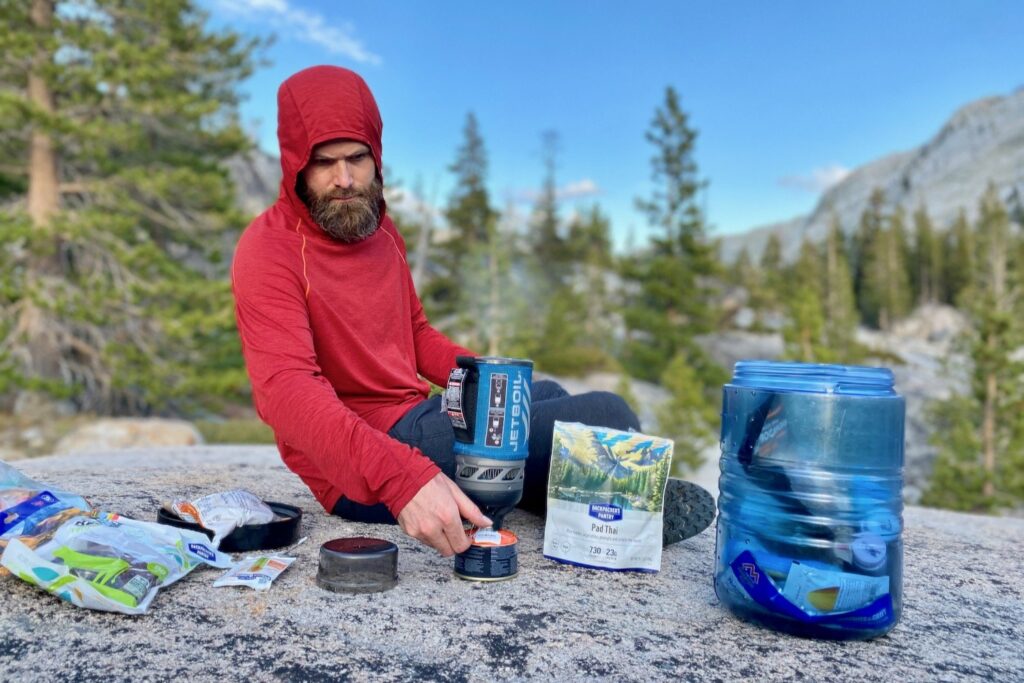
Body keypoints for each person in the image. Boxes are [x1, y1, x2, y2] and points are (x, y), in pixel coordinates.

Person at [232, 65, 711, 557]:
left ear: (376, 153)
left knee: (543, 394)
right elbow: (285, 393)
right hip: (362, 460)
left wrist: (490, 381)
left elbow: (414, 333)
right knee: (606, 413)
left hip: (418, 417)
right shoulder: (270, 249)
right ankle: (584, 501)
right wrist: (401, 477)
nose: (345, 179)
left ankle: (562, 502)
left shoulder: (381, 233)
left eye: (357, 157)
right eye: (324, 162)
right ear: (295, 163)